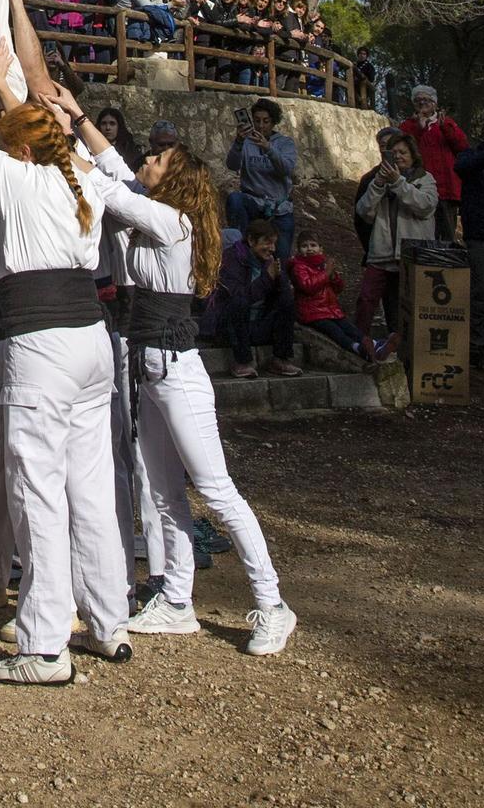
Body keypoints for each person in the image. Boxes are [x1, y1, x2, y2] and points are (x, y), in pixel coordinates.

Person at [0, 98, 132, 685]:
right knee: (89, 488)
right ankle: (108, 619)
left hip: (41, 344)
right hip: (92, 340)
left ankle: (43, 645)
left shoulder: (19, 179)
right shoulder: (85, 185)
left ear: (21, 149)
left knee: (37, 489)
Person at [72, 117, 296, 655]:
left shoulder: (173, 221)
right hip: (145, 365)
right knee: (162, 491)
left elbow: (102, 182)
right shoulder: (154, 210)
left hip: (176, 369)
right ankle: (176, 600)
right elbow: (113, 168)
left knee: (216, 490)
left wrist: (61, 139)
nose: (146, 159)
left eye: (157, 159)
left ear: (173, 180)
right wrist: (74, 115)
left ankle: (273, 603)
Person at [355, 131, 437, 339]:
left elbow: (425, 206)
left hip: (411, 254)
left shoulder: (425, 178)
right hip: (381, 252)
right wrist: (379, 184)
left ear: (412, 154)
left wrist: (398, 183)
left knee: (409, 304)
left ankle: (408, 347)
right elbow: (363, 211)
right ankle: (358, 343)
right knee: (366, 299)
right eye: (394, 153)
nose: (398, 156)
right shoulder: (375, 180)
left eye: (403, 152)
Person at [200, 217, 302, 381]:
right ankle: (242, 361)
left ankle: (281, 358)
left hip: (258, 324)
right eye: (267, 243)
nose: (271, 249)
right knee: (238, 303)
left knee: (287, 301)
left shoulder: (269, 261)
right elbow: (238, 297)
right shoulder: (232, 258)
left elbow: (283, 295)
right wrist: (266, 278)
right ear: (251, 240)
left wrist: (279, 279)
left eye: (274, 244)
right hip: (229, 327)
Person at [287, 229, 389, 363]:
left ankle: (374, 345)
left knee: (348, 327)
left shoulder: (323, 264)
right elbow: (308, 286)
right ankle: (356, 348)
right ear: (299, 249)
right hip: (311, 312)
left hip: (330, 310)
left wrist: (334, 277)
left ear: (320, 249)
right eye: (305, 246)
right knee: (334, 331)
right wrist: (326, 274)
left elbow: (338, 288)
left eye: (313, 245)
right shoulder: (299, 267)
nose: (309, 249)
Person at [225, 100, 297, 263]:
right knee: (235, 198)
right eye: (257, 121)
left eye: (266, 121)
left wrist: (269, 149)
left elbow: (287, 168)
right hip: (252, 201)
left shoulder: (285, 143)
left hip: (279, 207)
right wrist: (238, 142)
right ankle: (240, 248)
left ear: (273, 122)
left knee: (282, 259)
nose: (261, 125)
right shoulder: (246, 142)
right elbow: (232, 165)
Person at [401, 88, 466, 241]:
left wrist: (445, 128)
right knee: (424, 233)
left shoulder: (447, 123)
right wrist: (420, 129)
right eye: (418, 100)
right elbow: (404, 149)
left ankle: (448, 264)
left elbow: (462, 147)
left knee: (448, 234)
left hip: (446, 189)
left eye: (426, 99)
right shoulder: (408, 126)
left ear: (435, 104)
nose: (422, 102)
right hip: (420, 188)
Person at [455, 115, 484, 369]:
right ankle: (477, 350)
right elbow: (462, 168)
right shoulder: (472, 155)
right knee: (481, 292)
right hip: (479, 234)